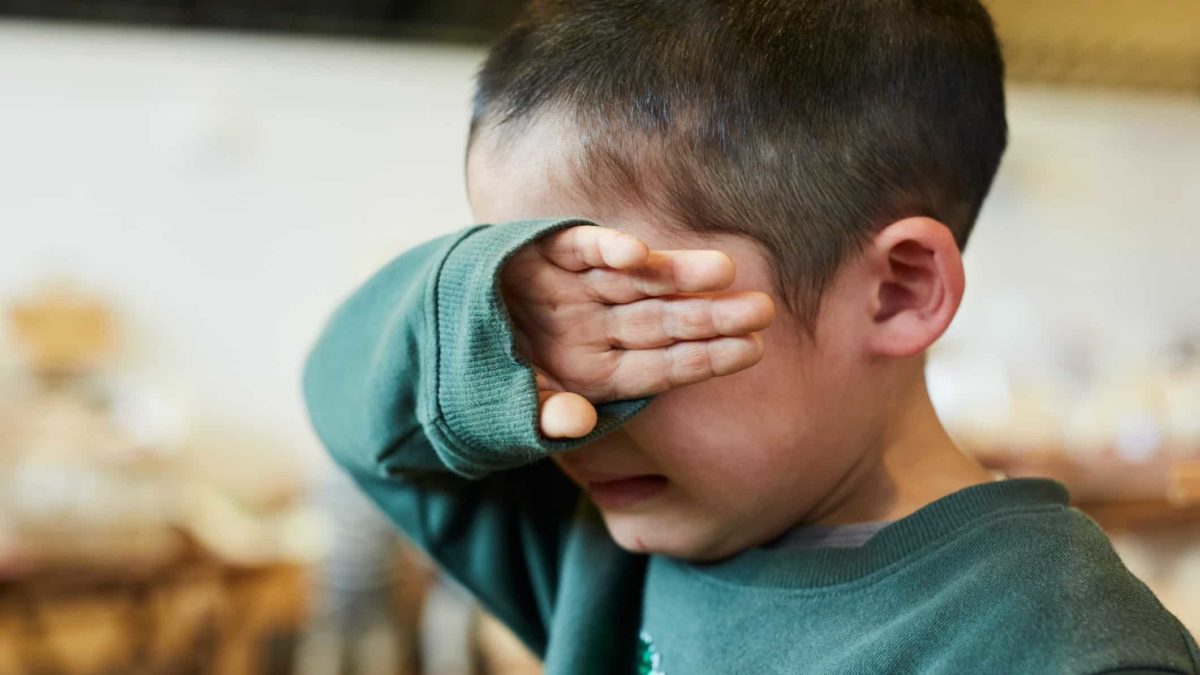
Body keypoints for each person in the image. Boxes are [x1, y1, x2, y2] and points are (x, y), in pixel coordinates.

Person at [301, 1, 1200, 672]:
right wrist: (474, 306)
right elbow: (344, 403)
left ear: (895, 291)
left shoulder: (1061, 648)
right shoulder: (607, 545)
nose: (567, 400)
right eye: (530, 330)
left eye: (617, 319)